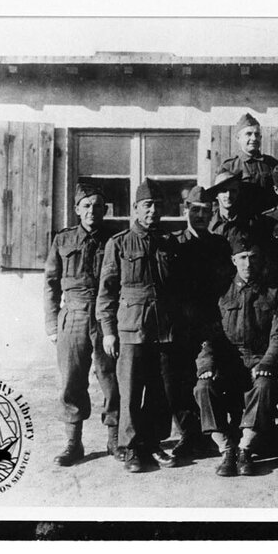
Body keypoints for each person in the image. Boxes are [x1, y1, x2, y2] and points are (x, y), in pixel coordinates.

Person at [96, 179, 204, 473]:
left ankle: (153, 442)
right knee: (130, 390)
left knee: (160, 390)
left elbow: (180, 290)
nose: (153, 211)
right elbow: (106, 292)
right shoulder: (118, 243)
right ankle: (130, 448)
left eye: (157, 206)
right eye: (147, 206)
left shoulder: (170, 243)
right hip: (131, 327)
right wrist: (108, 331)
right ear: (135, 209)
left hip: (165, 328)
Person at [194, 237, 278, 477]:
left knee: (265, 385)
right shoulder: (220, 293)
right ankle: (226, 449)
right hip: (228, 361)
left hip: (259, 359)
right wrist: (207, 363)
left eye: (253, 257)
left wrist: (267, 362)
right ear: (234, 261)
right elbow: (209, 336)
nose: (248, 263)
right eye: (243, 258)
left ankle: (245, 448)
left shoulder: (274, 293)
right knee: (203, 387)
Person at [43, 183, 120, 466]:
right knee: (71, 380)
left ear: (105, 210)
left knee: (110, 378)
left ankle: (114, 440)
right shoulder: (63, 240)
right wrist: (52, 324)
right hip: (73, 314)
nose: (92, 211)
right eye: (86, 206)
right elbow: (51, 283)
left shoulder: (114, 239)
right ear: (77, 210)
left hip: (105, 316)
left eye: (98, 206)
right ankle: (73, 444)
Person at [172, 185, 236, 460]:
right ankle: (189, 435)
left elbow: (227, 285)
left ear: (212, 214)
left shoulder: (219, 245)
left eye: (206, 211)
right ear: (186, 210)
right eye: (195, 210)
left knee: (213, 377)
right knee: (180, 379)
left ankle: (219, 432)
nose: (200, 215)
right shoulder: (173, 243)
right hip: (181, 323)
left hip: (211, 321)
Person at [219, 112, 278, 214]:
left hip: (267, 222)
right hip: (240, 223)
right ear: (238, 138)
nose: (254, 138)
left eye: (257, 134)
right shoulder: (229, 167)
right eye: (248, 134)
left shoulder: (272, 164)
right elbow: (219, 200)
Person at [205, 170, 270, 244]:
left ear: (238, 193)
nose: (228, 195)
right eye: (224, 190)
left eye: (233, 191)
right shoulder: (208, 223)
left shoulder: (251, 223)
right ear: (216, 194)